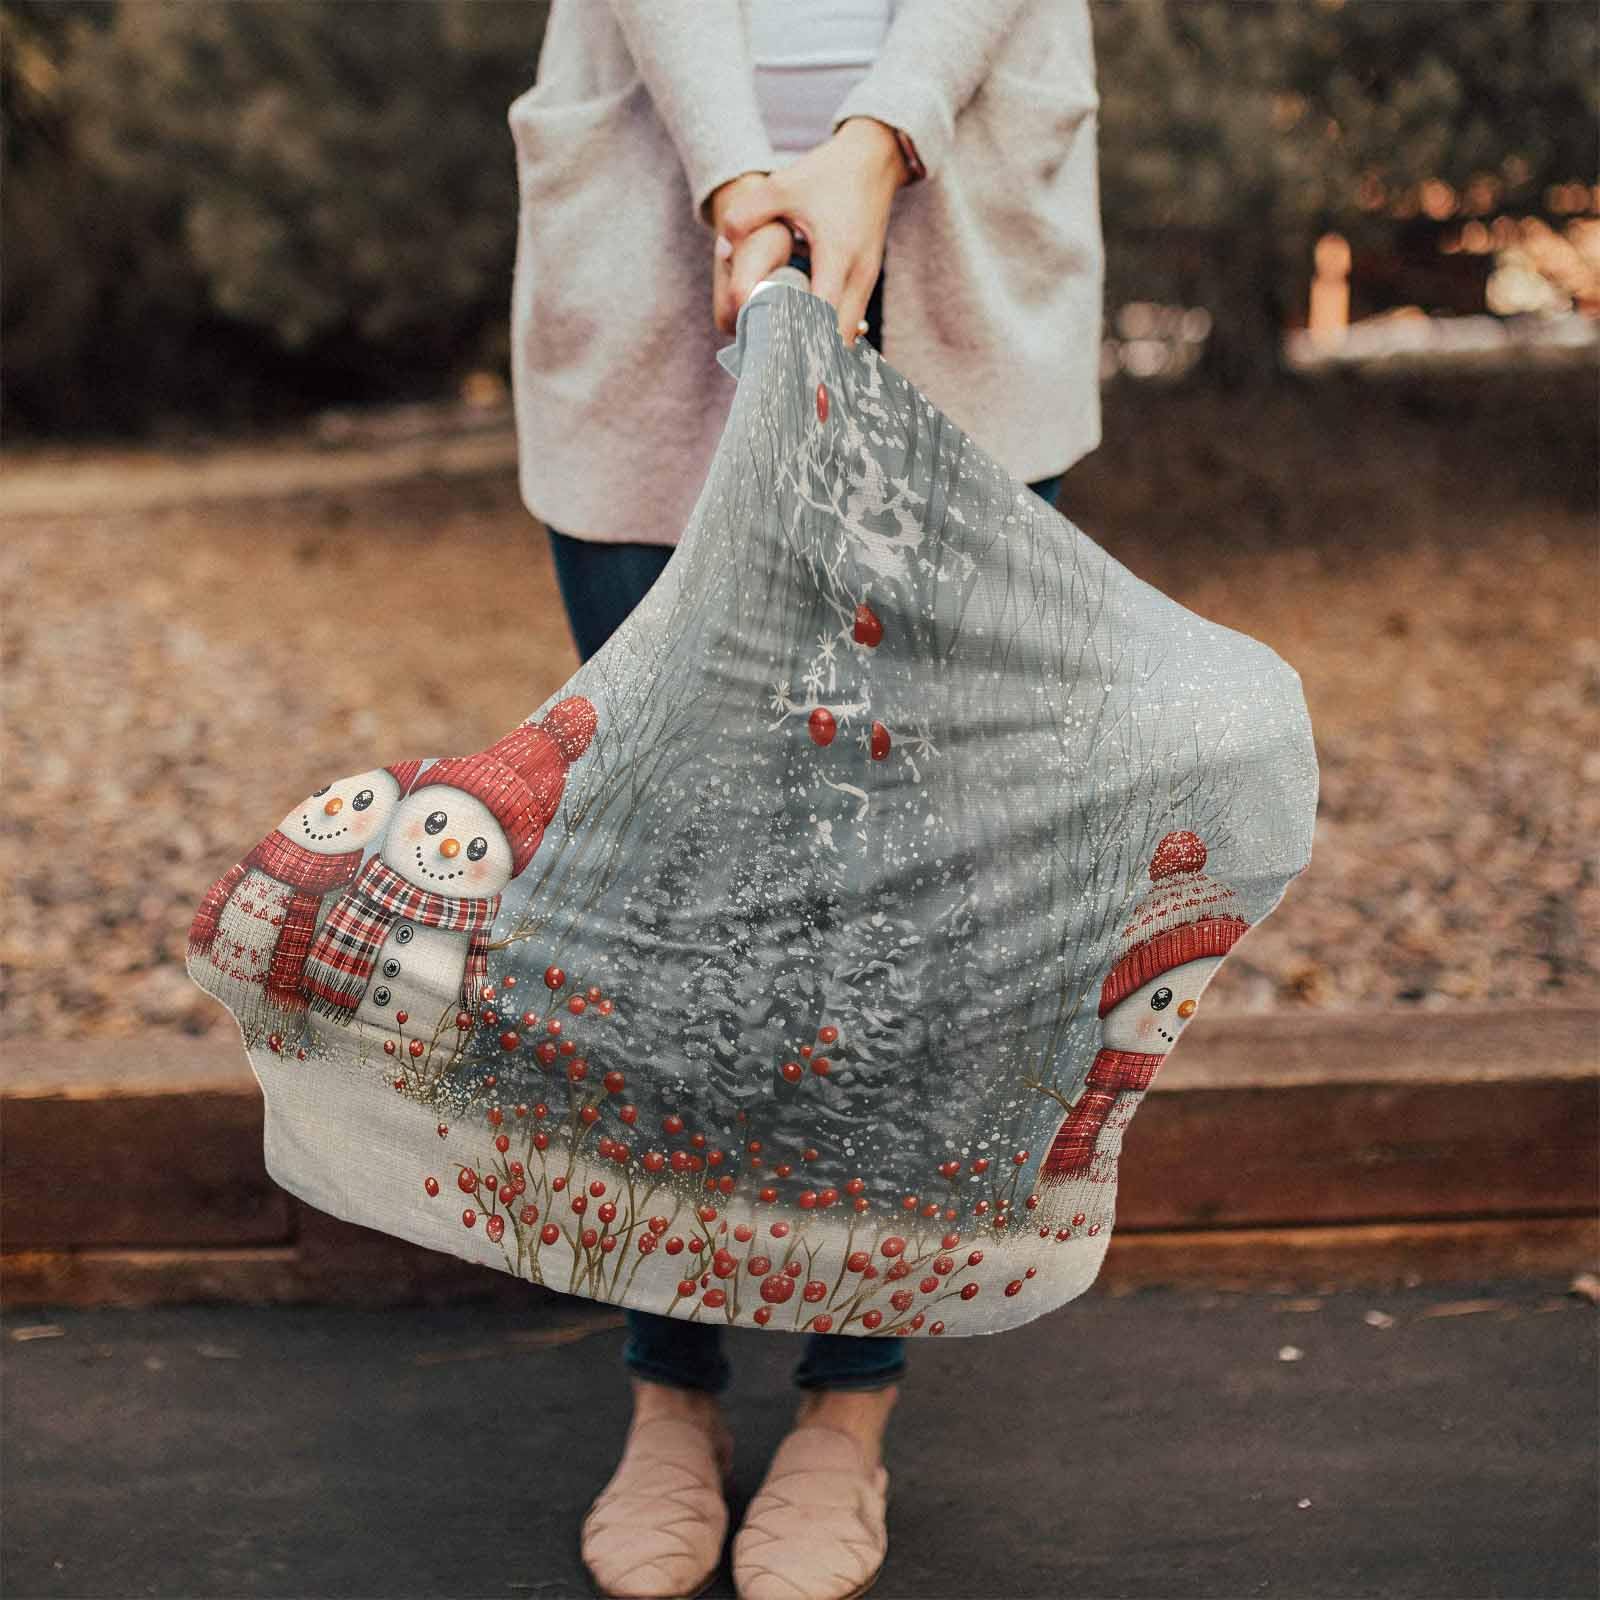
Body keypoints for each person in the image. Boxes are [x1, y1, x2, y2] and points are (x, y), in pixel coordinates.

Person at [506, 4, 1103, 1596]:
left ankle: (849, 1403)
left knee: (913, 888)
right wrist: (734, 178)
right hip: (656, 219)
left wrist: (877, 136)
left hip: (958, 221)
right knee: (665, 875)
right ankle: (670, 1388)